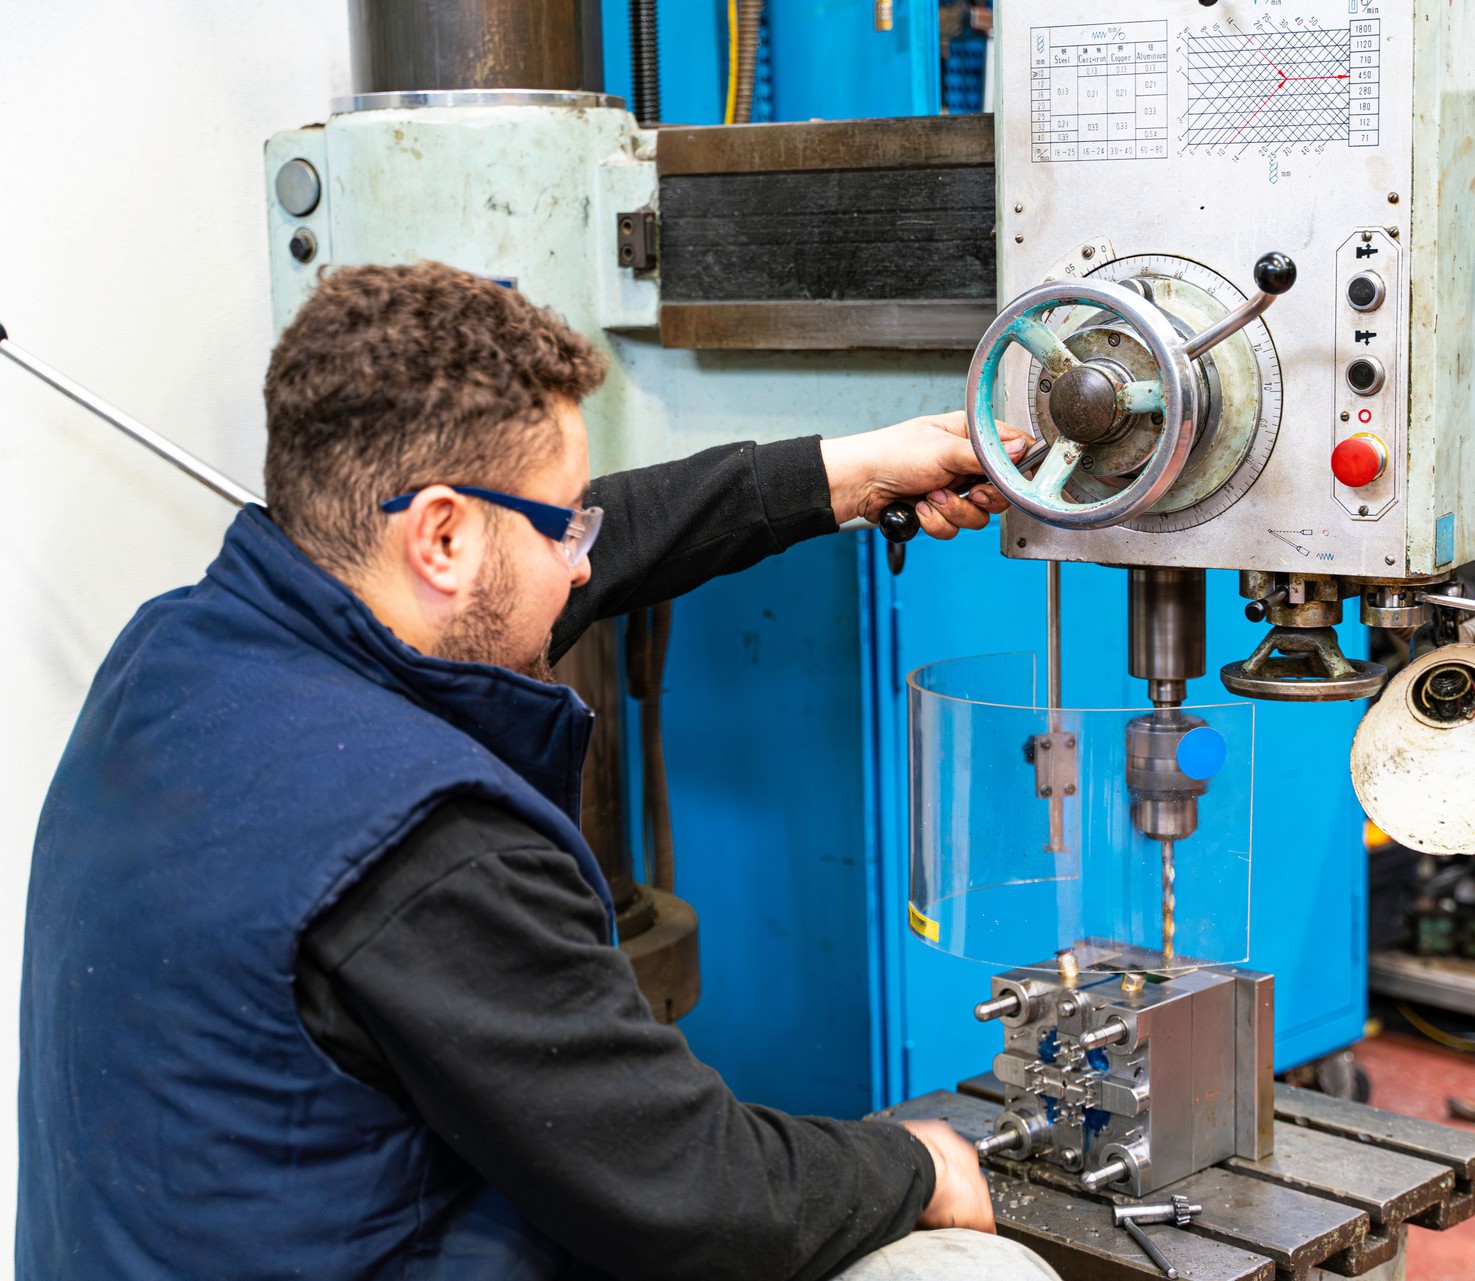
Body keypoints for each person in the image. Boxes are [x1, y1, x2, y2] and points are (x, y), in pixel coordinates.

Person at [20, 261, 1060, 1281]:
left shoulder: (174, 656)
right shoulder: (424, 844)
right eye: (567, 527)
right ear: (440, 535)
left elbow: (569, 549)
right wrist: (915, 1164)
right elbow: (702, 1200)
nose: (582, 560)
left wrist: (844, 475)